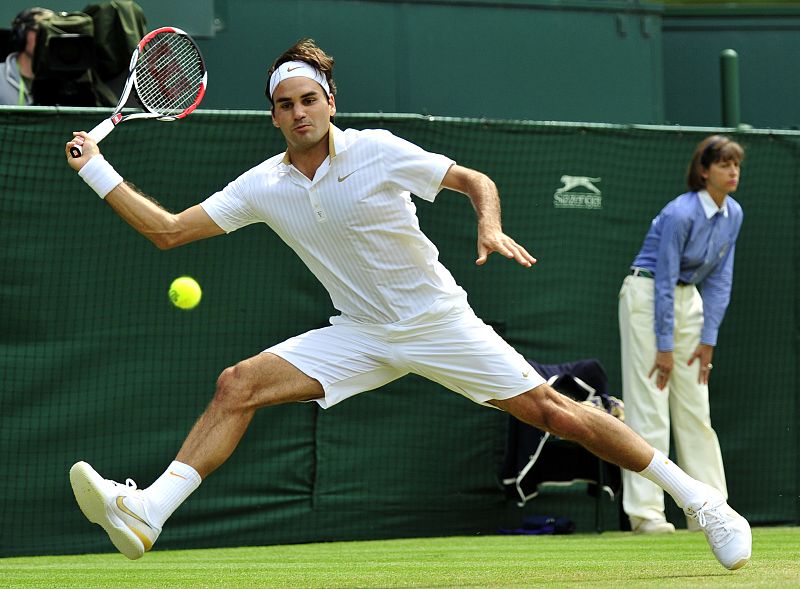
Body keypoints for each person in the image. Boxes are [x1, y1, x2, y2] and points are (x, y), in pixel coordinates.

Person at [64, 39, 751, 570]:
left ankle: (703, 502)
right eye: (285, 104)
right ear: (272, 114)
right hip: (359, 331)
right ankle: (149, 511)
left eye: (309, 99)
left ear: (329, 100)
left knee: (554, 411)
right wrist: (96, 167)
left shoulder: (379, 151)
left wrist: (487, 221)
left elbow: (471, 178)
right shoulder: (262, 185)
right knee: (236, 383)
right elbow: (169, 230)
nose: (299, 112)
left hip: (437, 321)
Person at [619, 135, 744, 535]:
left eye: (736, 165)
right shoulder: (680, 213)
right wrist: (665, 345)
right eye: (724, 165)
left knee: (696, 409)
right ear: (704, 171)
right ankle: (646, 514)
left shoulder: (734, 214)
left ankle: (711, 509)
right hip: (647, 295)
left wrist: (709, 340)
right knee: (650, 405)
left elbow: (721, 280)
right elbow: (665, 278)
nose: (733, 172)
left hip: (690, 302)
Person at [0, 7, 53, 105]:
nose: (45, 38)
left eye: (49, 33)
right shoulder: (1, 77)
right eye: (39, 32)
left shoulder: (61, 82)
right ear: (21, 34)